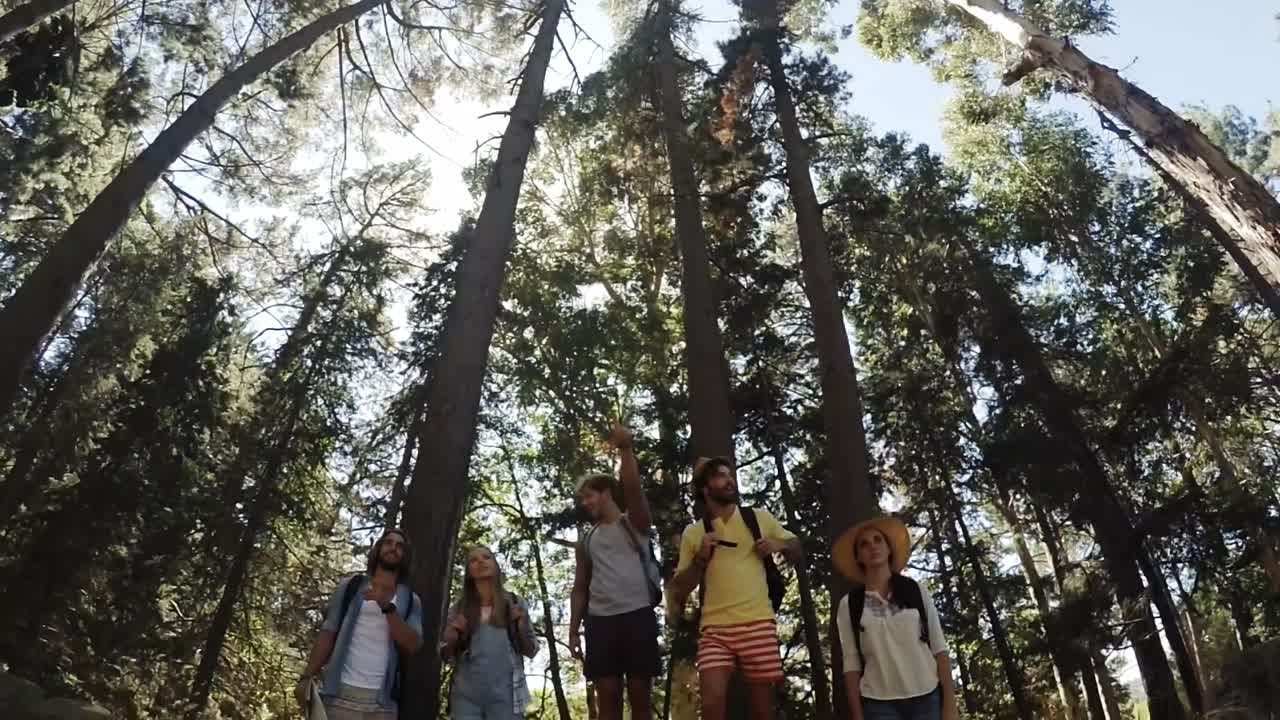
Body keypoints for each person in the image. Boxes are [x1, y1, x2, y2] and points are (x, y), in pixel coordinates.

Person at [670, 456, 802, 720]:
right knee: (711, 703)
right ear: (705, 489)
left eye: (730, 475)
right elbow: (679, 588)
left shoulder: (758, 518)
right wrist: (701, 558)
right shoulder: (694, 533)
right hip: (715, 628)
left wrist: (781, 545)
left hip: (758, 622)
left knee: (763, 710)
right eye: (720, 475)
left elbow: (797, 549)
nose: (729, 480)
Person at [568, 423, 663, 720]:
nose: (586, 504)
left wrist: (626, 449)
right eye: (583, 499)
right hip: (600, 623)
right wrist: (573, 630)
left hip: (638, 616)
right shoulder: (587, 539)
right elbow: (580, 586)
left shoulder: (633, 522)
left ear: (606, 493)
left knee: (640, 701)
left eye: (589, 496)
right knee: (608, 701)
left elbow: (633, 490)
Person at [832, 516, 960, 720]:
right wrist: (858, 716)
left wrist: (950, 706)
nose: (872, 546)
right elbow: (851, 664)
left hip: (927, 696)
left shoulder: (915, 590)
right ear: (858, 557)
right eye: (864, 544)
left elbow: (939, 647)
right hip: (878, 704)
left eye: (878, 540)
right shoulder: (850, 604)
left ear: (889, 549)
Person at [295, 528, 424, 720]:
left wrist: (387, 607)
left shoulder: (410, 600)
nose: (393, 548)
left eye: (399, 546)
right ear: (378, 549)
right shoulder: (350, 586)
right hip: (340, 696)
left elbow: (413, 644)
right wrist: (307, 676)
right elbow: (329, 632)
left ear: (405, 556)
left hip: (382, 705)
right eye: (388, 543)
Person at [440, 546, 539, 719]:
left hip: (506, 697)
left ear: (496, 565)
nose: (480, 562)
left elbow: (531, 650)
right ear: (469, 572)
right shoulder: (459, 608)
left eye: (486, 557)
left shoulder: (515, 603)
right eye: (473, 560)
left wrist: (521, 626)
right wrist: (452, 634)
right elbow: (445, 655)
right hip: (465, 697)